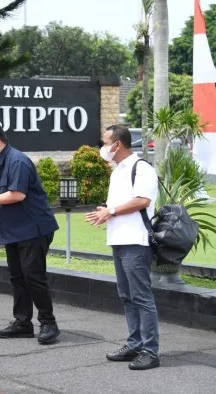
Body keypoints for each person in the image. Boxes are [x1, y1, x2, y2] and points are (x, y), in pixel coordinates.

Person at [0, 121, 60, 344]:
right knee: (17, 277)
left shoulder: (17, 161)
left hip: (33, 229)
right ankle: (23, 323)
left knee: (33, 276)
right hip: (13, 230)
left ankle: (48, 323)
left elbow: (17, 195)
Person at [86, 124, 160, 371]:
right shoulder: (118, 171)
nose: (102, 147)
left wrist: (113, 210)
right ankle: (135, 344)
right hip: (118, 241)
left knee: (141, 297)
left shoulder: (142, 168)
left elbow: (142, 200)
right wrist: (105, 212)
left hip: (136, 242)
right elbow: (117, 206)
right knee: (127, 297)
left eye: (105, 142)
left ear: (117, 144)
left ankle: (150, 351)